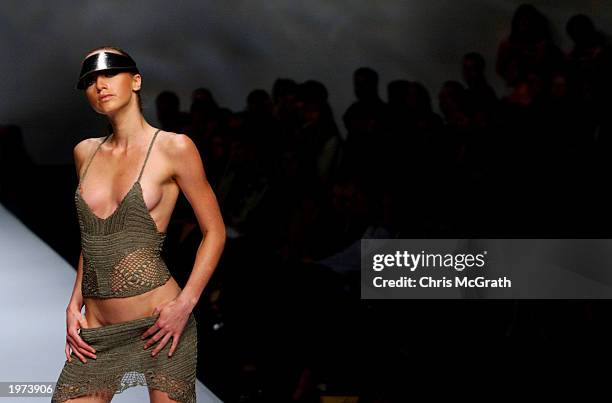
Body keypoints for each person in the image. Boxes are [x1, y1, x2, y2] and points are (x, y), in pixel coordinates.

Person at [51, 46, 226, 403]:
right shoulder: (85, 152)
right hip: (97, 330)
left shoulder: (174, 148)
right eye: (89, 79)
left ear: (136, 80)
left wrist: (185, 304)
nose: (99, 84)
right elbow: (94, 239)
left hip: (159, 325)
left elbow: (215, 231)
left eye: (110, 73)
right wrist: (74, 304)